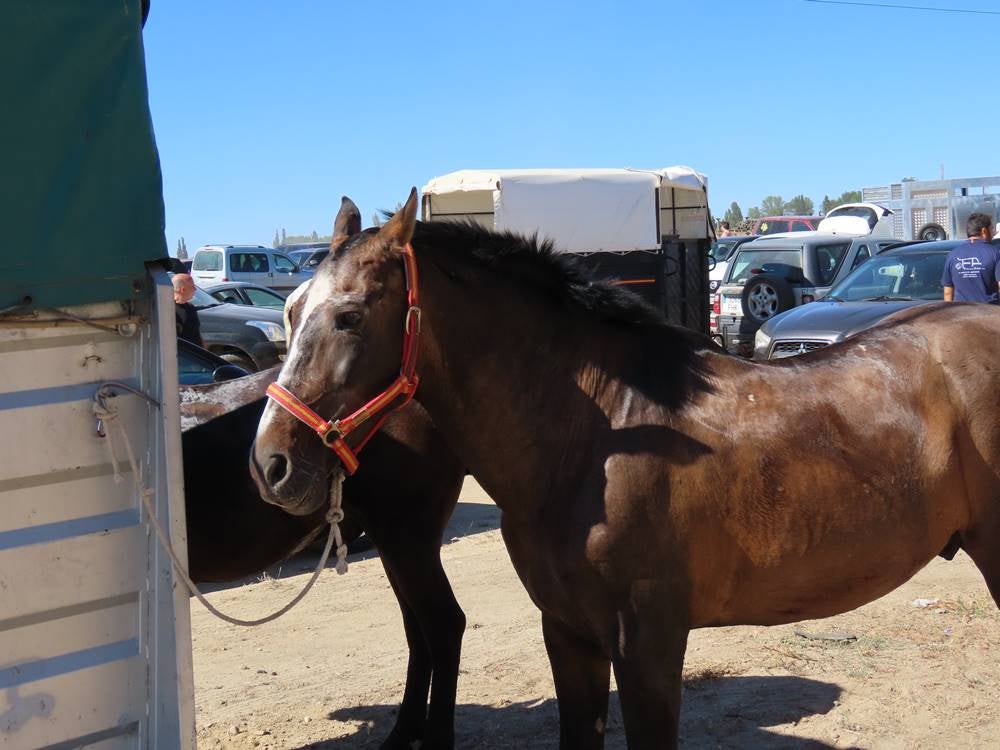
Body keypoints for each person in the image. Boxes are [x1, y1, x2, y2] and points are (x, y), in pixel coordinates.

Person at [941, 212, 1000, 303]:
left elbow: (948, 292)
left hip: (960, 313)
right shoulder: (996, 252)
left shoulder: (953, 255)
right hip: (988, 312)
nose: (992, 234)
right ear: (984, 231)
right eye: (991, 229)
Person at [172, 273, 204, 346]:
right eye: (192, 287)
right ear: (183, 289)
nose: (195, 289)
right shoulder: (169, 310)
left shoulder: (191, 307)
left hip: (197, 354)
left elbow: (197, 333)